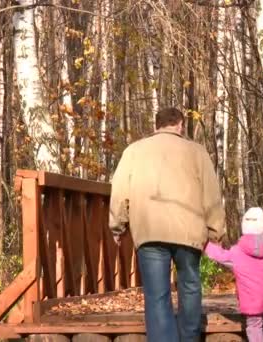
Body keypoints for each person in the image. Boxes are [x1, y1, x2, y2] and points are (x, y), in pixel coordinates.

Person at [109, 107, 225, 342]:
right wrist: (216, 229)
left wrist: (117, 225)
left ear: (156, 125)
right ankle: (189, 338)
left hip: (149, 231)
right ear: (180, 125)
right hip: (189, 231)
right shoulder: (197, 152)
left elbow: (119, 190)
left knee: (157, 294)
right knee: (190, 286)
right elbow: (211, 193)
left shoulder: (134, 151)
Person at [204, 207, 263, 342]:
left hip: (252, 297)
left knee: (254, 323)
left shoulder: (237, 251)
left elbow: (220, 256)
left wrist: (206, 245)